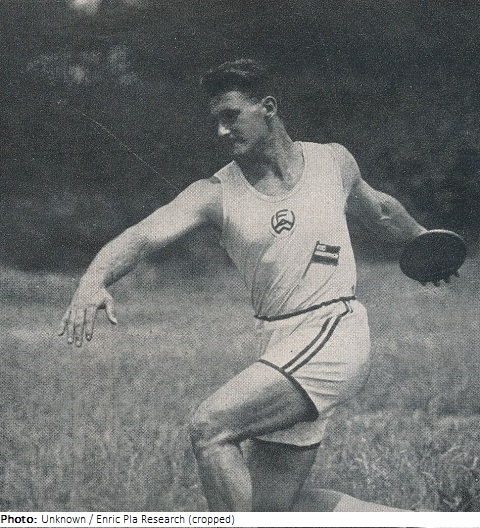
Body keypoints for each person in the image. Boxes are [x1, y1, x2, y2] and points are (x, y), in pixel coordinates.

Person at [59, 59, 430, 512]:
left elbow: (381, 211)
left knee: (210, 427)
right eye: (215, 120)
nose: (221, 130)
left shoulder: (333, 160)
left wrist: (425, 240)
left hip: (334, 332)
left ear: (267, 108)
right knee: (271, 510)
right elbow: (142, 237)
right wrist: (93, 279)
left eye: (231, 116)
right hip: (279, 343)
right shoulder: (215, 193)